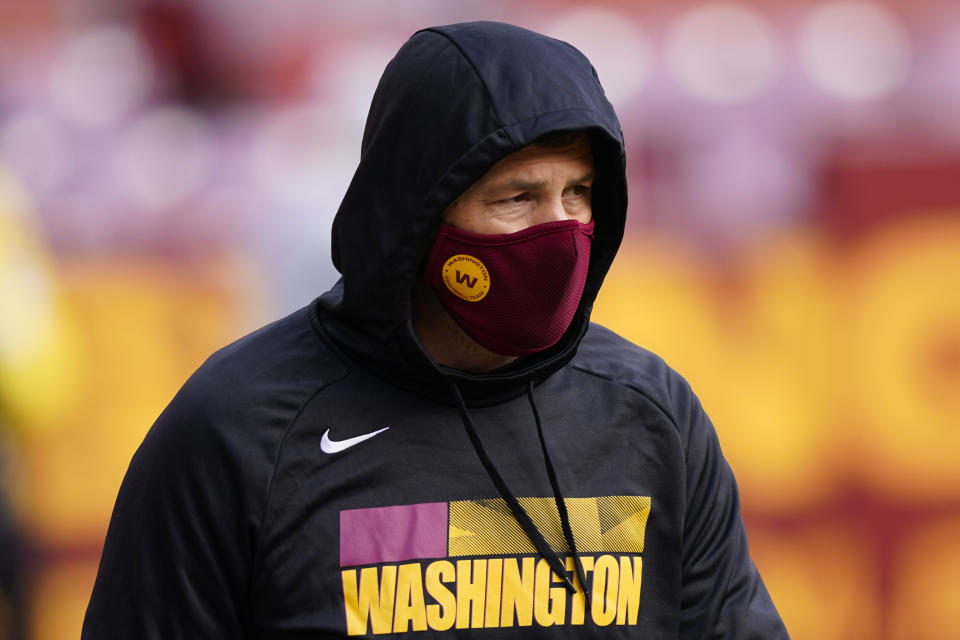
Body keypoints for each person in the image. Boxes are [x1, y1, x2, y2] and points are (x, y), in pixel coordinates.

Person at [83, 21, 788, 638]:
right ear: (416, 219)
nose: (561, 231)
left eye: (576, 193)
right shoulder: (235, 430)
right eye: (517, 198)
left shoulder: (649, 416)